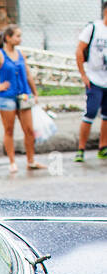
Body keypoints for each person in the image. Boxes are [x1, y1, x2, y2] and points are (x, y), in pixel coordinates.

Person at [0, 26, 47, 174]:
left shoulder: (21, 54)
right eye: (17, 36)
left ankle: (31, 161)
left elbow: (28, 75)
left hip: (24, 96)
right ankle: (12, 162)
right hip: (7, 98)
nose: (20, 39)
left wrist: (35, 93)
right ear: (8, 38)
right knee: (9, 130)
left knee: (29, 130)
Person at [75, 1, 107, 162]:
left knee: (106, 116)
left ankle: (103, 147)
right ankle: (81, 149)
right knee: (91, 112)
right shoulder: (94, 28)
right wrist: (83, 74)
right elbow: (79, 50)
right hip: (94, 79)